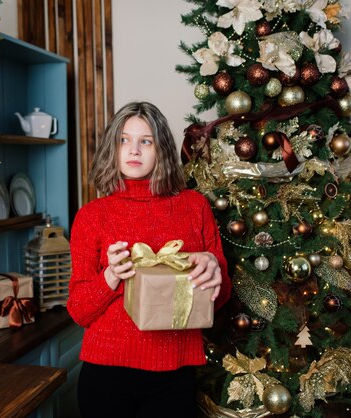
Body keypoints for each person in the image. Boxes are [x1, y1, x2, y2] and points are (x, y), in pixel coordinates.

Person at [67, 101, 232, 418]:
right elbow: (79, 311)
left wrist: (214, 272)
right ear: (113, 148)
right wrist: (111, 278)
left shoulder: (194, 206)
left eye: (146, 141)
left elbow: (220, 298)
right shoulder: (92, 216)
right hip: (106, 375)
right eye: (124, 140)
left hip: (174, 374)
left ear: (162, 149)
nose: (134, 150)